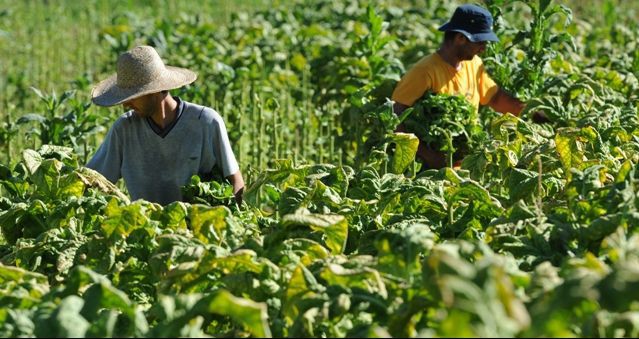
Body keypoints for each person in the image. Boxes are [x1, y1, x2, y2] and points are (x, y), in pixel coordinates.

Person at [392, 4, 547, 169]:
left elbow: (495, 97)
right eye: (480, 42)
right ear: (460, 38)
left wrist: (535, 114)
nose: (483, 49)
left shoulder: (474, 65)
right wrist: (429, 156)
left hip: (464, 166)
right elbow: (395, 115)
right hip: (425, 169)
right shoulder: (425, 71)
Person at [87, 45, 245, 205]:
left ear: (154, 91)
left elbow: (236, 182)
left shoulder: (206, 122)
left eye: (133, 96)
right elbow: (92, 179)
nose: (126, 104)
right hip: (145, 227)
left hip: (198, 227)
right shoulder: (124, 130)